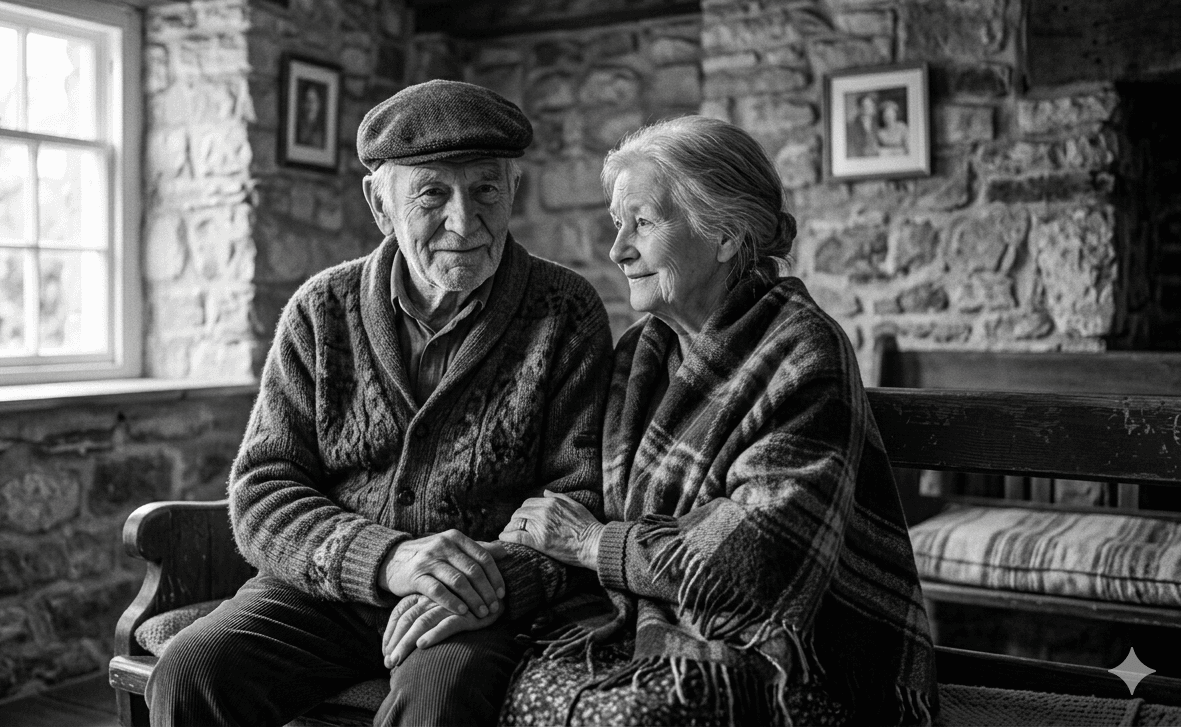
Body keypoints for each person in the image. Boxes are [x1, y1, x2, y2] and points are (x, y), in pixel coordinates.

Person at [146, 80, 613, 727]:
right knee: (192, 672)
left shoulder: (565, 313)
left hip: (473, 598)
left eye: (485, 189)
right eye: (431, 194)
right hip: (329, 587)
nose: (464, 222)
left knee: (439, 698)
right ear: (379, 203)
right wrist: (389, 559)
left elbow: (583, 499)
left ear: (515, 191)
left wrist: (491, 581)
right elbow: (263, 489)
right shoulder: (321, 310)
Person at [494, 116, 938, 727]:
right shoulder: (640, 356)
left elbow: (761, 556)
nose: (617, 249)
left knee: (631, 715)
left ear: (725, 234)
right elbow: (578, 495)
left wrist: (595, 544)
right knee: (517, 677)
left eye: (643, 224)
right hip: (652, 618)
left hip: (792, 649)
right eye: (616, 225)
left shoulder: (804, 352)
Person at [845, 92, 878, 159]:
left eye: (870, 105)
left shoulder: (877, 124)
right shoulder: (851, 126)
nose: (867, 108)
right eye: (865, 106)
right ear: (859, 107)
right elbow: (850, 150)